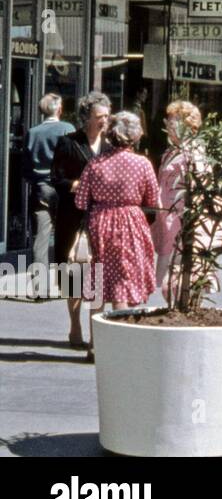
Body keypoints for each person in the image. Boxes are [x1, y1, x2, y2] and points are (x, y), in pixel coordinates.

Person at [75, 111, 160, 358]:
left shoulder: (96, 163)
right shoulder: (142, 164)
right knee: (123, 280)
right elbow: (153, 200)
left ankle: (96, 344)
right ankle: (120, 344)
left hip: (100, 222)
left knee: (98, 283)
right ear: (134, 136)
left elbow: (81, 201)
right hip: (131, 223)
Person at [50, 92, 113, 348]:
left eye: (107, 116)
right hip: (72, 216)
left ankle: (95, 331)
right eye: (100, 116)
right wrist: (76, 185)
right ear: (86, 117)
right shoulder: (68, 142)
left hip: (100, 216)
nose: (104, 121)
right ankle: (75, 324)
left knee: (97, 271)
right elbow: (55, 178)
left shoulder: (111, 146)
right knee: (73, 271)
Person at [153, 100, 204, 298]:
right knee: (168, 271)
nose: (168, 125)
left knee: (179, 270)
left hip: (182, 219)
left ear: (187, 124)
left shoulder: (194, 152)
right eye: (168, 120)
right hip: (167, 218)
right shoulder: (171, 152)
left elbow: (200, 189)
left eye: (173, 121)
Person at [24, 93, 74, 267]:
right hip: (64, 189)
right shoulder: (67, 128)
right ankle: (69, 285)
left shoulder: (32, 133)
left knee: (41, 237)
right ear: (59, 109)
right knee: (68, 235)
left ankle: (39, 287)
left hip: (41, 189)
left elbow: (26, 166)